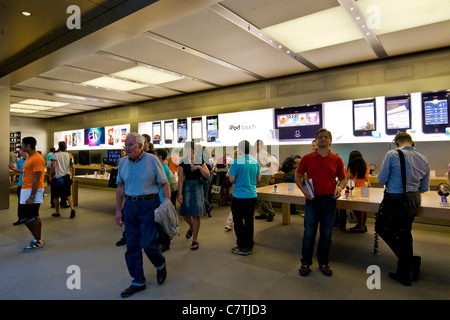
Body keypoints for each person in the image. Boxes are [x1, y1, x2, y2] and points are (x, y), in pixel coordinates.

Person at [115, 132, 170, 298]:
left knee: (148, 243)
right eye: (126, 144)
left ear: (140, 146)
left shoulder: (152, 160)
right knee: (131, 245)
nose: (127, 148)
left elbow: (164, 183)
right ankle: (138, 280)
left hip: (149, 204)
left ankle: (160, 264)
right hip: (130, 206)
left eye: (131, 145)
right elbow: (120, 187)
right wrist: (118, 209)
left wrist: (166, 204)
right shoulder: (122, 162)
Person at [377, 132, 430, 286]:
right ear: (412, 142)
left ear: (396, 142)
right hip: (414, 200)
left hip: (395, 199)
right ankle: (404, 271)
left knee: (381, 227)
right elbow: (424, 188)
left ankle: (409, 262)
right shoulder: (424, 159)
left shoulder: (392, 154)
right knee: (405, 232)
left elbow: (381, 179)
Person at [295, 129, 346, 277]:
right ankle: (305, 263)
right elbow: (298, 176)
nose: (323, 139)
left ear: (330, 140)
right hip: (312, 200)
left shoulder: (337, 159)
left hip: (329, 201)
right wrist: (304, 191)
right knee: (309, 234)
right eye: (320, 137)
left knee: (326, 234)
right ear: (316, 140)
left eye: (326, 137)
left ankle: (323, 263)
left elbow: (342, 179)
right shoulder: (307, 158)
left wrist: (339, 188)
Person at [227, 140, 261, 255]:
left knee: (238, 221)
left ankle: (242, 246)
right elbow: (258, 180)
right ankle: (249, 244)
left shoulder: (236, 163)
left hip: (239, 196)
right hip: (252, 195)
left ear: (240, 149)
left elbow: (231, 179)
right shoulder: (255, 162)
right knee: (249, 221)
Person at [178, 141, 210, 250]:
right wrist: (179, 193)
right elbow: (181, 178)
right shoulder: (182, 161)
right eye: (186, 149)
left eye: (189, 149)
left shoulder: (199, 159)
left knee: (196, 213)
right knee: (185, 213)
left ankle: (195, 239)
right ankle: (191, 227)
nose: (187, 151)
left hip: (197, 186)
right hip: (186, 186)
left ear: (193, 150)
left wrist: (199, 167)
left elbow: (208, 175)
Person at [19, 137, 46, 251]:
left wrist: (32, 196)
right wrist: (15, 170)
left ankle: (37, 239)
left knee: (33, 216)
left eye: (23, 144)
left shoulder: (38, 159)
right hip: (25, 189)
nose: (21, 146)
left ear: (28, 145)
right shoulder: (29, 157)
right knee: (23, 216)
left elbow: (36, 179)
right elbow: (27, 173)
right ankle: (36, 237)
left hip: (33, 190)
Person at [49, 141, 76, 218]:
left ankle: (57, 212)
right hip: (67, 177)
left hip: (58, 177)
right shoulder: (70, 155)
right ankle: (72, 209)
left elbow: (54, 166)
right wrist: (72, 178)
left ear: (59, 147)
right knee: (68, 194)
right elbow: (73, 167)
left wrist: (50, 175)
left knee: (56, 195)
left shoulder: (55, 155)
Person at [346, 150, 371, 232]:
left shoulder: (352, 166)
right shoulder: (366, 165)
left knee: (357, 208)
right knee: (364, 207)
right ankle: (363, 224)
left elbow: (347, 177)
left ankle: (360, 225)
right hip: (365, 188)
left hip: (355, 189)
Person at [154, 148, 172, 252]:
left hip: (161, 198)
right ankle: (161, 240)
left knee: (162, 223)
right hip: (160, 197)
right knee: (159, 222)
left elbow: (160, 184)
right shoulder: (163, 167)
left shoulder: (163, 168)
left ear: (160, 157)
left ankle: (165, 243)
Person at [254, 139, 275, 222]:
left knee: (264, 195)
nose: (255, 146)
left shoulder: (265, 154)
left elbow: (270, 165)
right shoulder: (256, 154)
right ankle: (262, 212)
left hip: (264, 174)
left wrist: (272, 176)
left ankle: (270, 212)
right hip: (258, 175)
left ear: (261, 145)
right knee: (258, 194)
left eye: (257, 145)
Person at [9, 147, 28, 225]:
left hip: (28, 185)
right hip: (21, 184)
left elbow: (26, 172)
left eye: (20, 150)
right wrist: (15, 169)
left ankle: (28, 218)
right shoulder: (20, 161)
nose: (19, 152)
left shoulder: (31, 160)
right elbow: (21, 172)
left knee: (28, 203)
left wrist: (15, 169)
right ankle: (21, 218)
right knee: (20, 202)